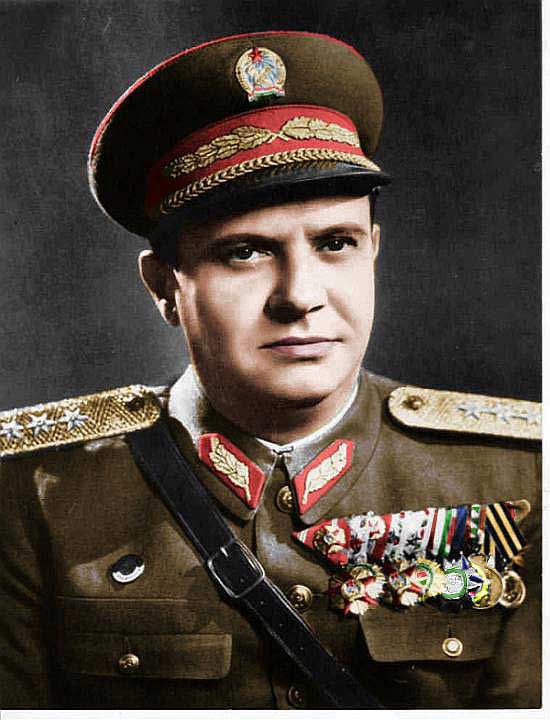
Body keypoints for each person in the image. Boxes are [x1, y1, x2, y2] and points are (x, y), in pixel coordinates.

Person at [0, 31, 541, 710]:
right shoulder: (32, 496)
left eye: (335, 243)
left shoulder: (520, 475)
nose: (300, 296)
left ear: (373, 251)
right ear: (164, 287)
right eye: (246, 252)